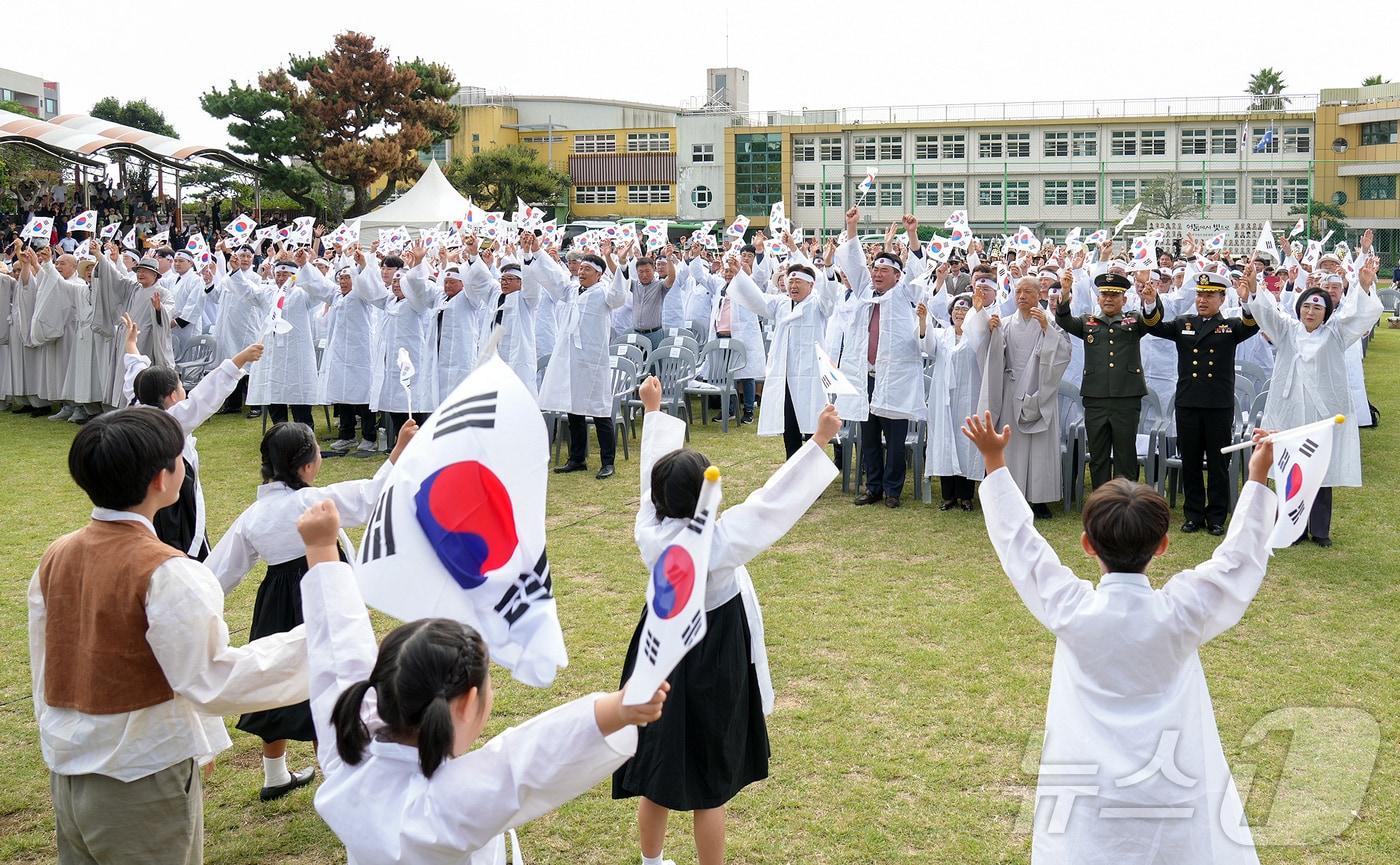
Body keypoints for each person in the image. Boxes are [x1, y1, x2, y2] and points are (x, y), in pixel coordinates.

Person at [963, 409, 1277, 865]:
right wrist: (1256, 479)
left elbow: (1022, 546)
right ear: (1163, 545)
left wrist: (995, 463)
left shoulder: (1073, 610)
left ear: (1088, 545)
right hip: (1171, 790)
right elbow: (1238, 562)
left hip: (1088, 799)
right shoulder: (1181, 611)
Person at [291, 499, 667, 865]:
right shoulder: (443, 808)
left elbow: (338, 653)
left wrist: (322, 549)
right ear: (467, 703)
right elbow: (526, 761)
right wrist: (617, 710)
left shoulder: (347, 753)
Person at [29, 407, 308, 864]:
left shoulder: (56, 554)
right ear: (163, 477)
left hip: (71, 768)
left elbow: (47, 667)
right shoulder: (168, 572)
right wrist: (321, 640)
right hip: (139, 776)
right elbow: (213, 679)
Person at [615, 377, 841, 865]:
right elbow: (770, 505)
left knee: (655, 764)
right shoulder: (717, 541)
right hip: (714, 651)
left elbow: (647, 486)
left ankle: (652, 861)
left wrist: (653, 414)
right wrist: (818, 441)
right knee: (710, 783)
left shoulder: (649, 532)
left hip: (660, 647)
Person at [205, 418, 419, 801]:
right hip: (319, 591)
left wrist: (196, 601)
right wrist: (400, 449)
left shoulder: (252, 515)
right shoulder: (311, 501)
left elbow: (220, 571)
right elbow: (372, 497)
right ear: (305, 467)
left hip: (275, 601)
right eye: (317, 454)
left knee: (274, 682)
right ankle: (348, 773)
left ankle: (275, 774)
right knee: (339, 677)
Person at [1247, 257, 1382, 547]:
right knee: (1289, 467)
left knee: (1321, 469)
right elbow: (1265, 312)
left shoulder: (1336, 333)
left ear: (1326, 312)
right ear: (1299, 309)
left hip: (1323, 414)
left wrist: (1366, 286)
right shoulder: (1287, 330)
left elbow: (1362, 316)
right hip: (1290, 411)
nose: (1311, 312)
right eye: (1307, 306)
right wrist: (1255, 288)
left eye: (1317, 307)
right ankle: (1290, 528)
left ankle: (1319, 530)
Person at [123, 313, 265, 558]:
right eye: (180, 386)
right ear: (171, 397)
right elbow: (206, 396)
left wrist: (131, 343)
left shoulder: (135, 406)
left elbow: (135, 370)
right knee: (183, 552)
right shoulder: (172, 420)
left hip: (144, 501)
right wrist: (241, 358)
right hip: (174, 504)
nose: (184, 390)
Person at [1142, 272, 1259, 534]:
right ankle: (1193, 514)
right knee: (1191, 460)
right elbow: (1154, 326)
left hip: (1217, 405)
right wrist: (1151, 302)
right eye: (1199, 294)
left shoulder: (1229, 327)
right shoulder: (1184, 323)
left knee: (1218, 462)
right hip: (1189, 403)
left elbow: (1252, 325)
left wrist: (1247, 301)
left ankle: (1216, 516)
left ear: (1221, 298)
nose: (1202, 300)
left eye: (1209, 295)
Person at [834, 208, 928, 508]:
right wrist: (851, 227)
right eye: (875, 269)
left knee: (896, 440)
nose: (876, 274)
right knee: (869, 436)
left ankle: (892, 490)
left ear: (896, 276)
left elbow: (917, 273)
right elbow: (853, 262)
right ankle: (873, 487)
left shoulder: (903, 294)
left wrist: (912, 235)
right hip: (867, 376)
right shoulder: (865, 292)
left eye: (883, 270)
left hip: (896, 379)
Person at [728, 245, 839, 459]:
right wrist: (740, 274)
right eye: (791, 281)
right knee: (790, 426)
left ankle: (813, 471)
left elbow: (830, 296)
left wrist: (828, 265)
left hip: (811, 376)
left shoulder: (818, 304)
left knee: (813, 426)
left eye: (798, 282)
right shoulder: (781, 303)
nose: (793, 286)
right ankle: (792, 468)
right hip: (786, 376)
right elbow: (757, 299)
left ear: (811, 285)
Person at [976, 275, 1072, 518]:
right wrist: (992, 332)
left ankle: (1039, 500)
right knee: (1011, 447)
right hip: (1011, 391)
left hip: (1040, 392)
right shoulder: (1006, 323)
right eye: (1018, 292)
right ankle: (1009, 499)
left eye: (1027, 292)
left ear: (1039, 293)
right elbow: (993, 356)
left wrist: (1046, 330)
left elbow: (1063, 352)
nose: (1021, 297)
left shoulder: (1049, 322)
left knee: (1039, 446)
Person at [539, 238, 629, 479]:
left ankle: (607, 462)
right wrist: (536, 252)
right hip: (571, 359)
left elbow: (619, 296)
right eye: (580, 269)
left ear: (599, 274)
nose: (581, 272)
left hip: (594, 360)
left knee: (599, 410)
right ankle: (577, 458)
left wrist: (621, 265)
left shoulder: (604, 292)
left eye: (587, 269)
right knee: (574, 410)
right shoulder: (571, 291)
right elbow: (552, 277)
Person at [1056, 271, 1151, 488]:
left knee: (1125, 454)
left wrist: (1150, 299)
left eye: (1114, 295)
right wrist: (1065, 291)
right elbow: (1063, 320)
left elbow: (1153, 320)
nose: (1108, 299)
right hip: (1096, 398)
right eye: (1104, 295)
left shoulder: (1134, 320)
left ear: (1124, 299)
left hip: (1126, 398)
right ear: (1098, 298)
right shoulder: (1087, 322)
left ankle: (1126, 501)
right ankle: (1101, 502)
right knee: (1098, 455)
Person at [917, 290, 989, 511]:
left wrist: (979, 310)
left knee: (966, 441)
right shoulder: (941, 335)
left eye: (964, 308)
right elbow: (926, 346)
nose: (960, 311)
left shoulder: (975, 335)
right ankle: (948, 495)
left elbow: (983, 339)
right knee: (945, 439)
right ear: (950, 313)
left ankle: (966, 496)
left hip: (969, 394)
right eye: (957, 308)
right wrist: (922, 320)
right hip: (943, 397)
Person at [246, 250, 335, 428]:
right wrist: (234, 271)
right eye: (278, 274)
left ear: (294, 276)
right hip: (273, 352)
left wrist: (304, 265)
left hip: (297, 352)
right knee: (274, 391)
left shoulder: (303, 294)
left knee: (299, 391)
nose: (281, 278)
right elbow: (247, 291)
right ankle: (279, 430)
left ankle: (304, 431)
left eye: (286, 274)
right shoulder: (268, 293)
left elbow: (319, 289)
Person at [320, 257, 380, 455]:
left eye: (348, 277)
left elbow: (371, 287)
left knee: (363, 395)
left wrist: (363, 265)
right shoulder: (337, 296)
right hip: (339, 354)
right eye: (341, 278)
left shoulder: (361, 295)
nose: (344, 281)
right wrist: (304, 265)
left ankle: (369, 437)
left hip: (360, 352)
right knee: (342, 394)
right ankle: (346, 435)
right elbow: (316, 285)